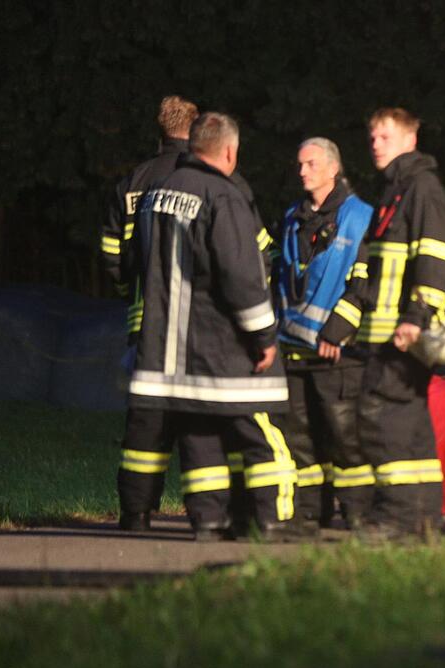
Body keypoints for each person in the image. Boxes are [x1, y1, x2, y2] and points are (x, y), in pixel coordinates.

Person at [125, 112, 297, 540]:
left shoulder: (156, 194)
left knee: (198, 434)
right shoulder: (223, 195)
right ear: (230, 150)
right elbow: (240, 274)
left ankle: (209, 521)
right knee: (259, 431)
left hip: (167, 347)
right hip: (219, 344)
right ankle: (274, 520)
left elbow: (132, 263)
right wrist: (262, 335)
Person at [355, 107, 445, 538]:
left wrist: (416, 317)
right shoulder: (395, 189)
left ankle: (396, 519)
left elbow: (439, 252)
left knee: (386, 423)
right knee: (413, 428)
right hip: (386, 332)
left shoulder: (420, 187)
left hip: (401, 334)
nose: (375, 144)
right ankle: (422, 520)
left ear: (409, 139)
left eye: (384, 136)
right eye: (373, 136)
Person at [102, 96, 198, 531]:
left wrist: (132, 291)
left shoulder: (135, 180)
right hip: (197, 321)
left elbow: (113, 253)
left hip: (146, 320)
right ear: (195, 131)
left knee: (146, 418)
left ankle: (136, 513)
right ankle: (206, 517)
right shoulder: (205, 178)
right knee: (200, 416)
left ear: (159, 130)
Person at [272, 137, 374, 530]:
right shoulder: (292, 218)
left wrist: (337, 331)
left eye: (310, 164)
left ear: (333, 168)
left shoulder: (360, 217)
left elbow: (363, 283)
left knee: (344, 435)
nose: (302, 172)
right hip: (292, 348)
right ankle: (311, 510)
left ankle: (357, 512)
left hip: (337, 351)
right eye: (300, 165)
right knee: (301, 438)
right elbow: (281, 278)